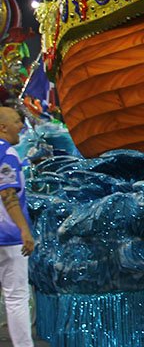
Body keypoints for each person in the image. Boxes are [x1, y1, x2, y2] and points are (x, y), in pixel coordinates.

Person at [0, 106, 33, 347]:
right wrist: (24, 229)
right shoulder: (7, 154)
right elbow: (8, 193)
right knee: (16, 298)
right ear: (3, 127)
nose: (21, 125)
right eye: (16, 121)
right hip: (9, 239)